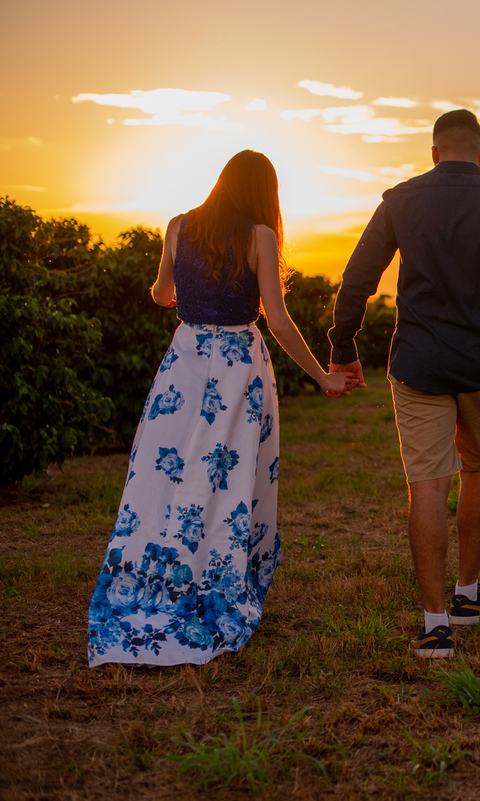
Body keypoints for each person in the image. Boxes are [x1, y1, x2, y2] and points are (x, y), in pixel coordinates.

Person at [86, 150, 353, 667]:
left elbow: (162, 293)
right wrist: (322, 375)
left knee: (162, 479)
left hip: (182, 365)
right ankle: (214, 588)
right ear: (262, 192)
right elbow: (276, 320)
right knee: (227, 484)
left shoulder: (179, 226)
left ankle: (148, 584)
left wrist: (181, 291)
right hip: (237, 368)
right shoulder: (260, 236)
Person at [327, 109, 480, 659]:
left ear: (434, 152)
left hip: (418, 363)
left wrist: (343, 349)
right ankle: (467, 596)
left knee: (428, 484)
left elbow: (358, 278)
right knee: (479, 468)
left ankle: (436, 626)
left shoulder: (401, 199)